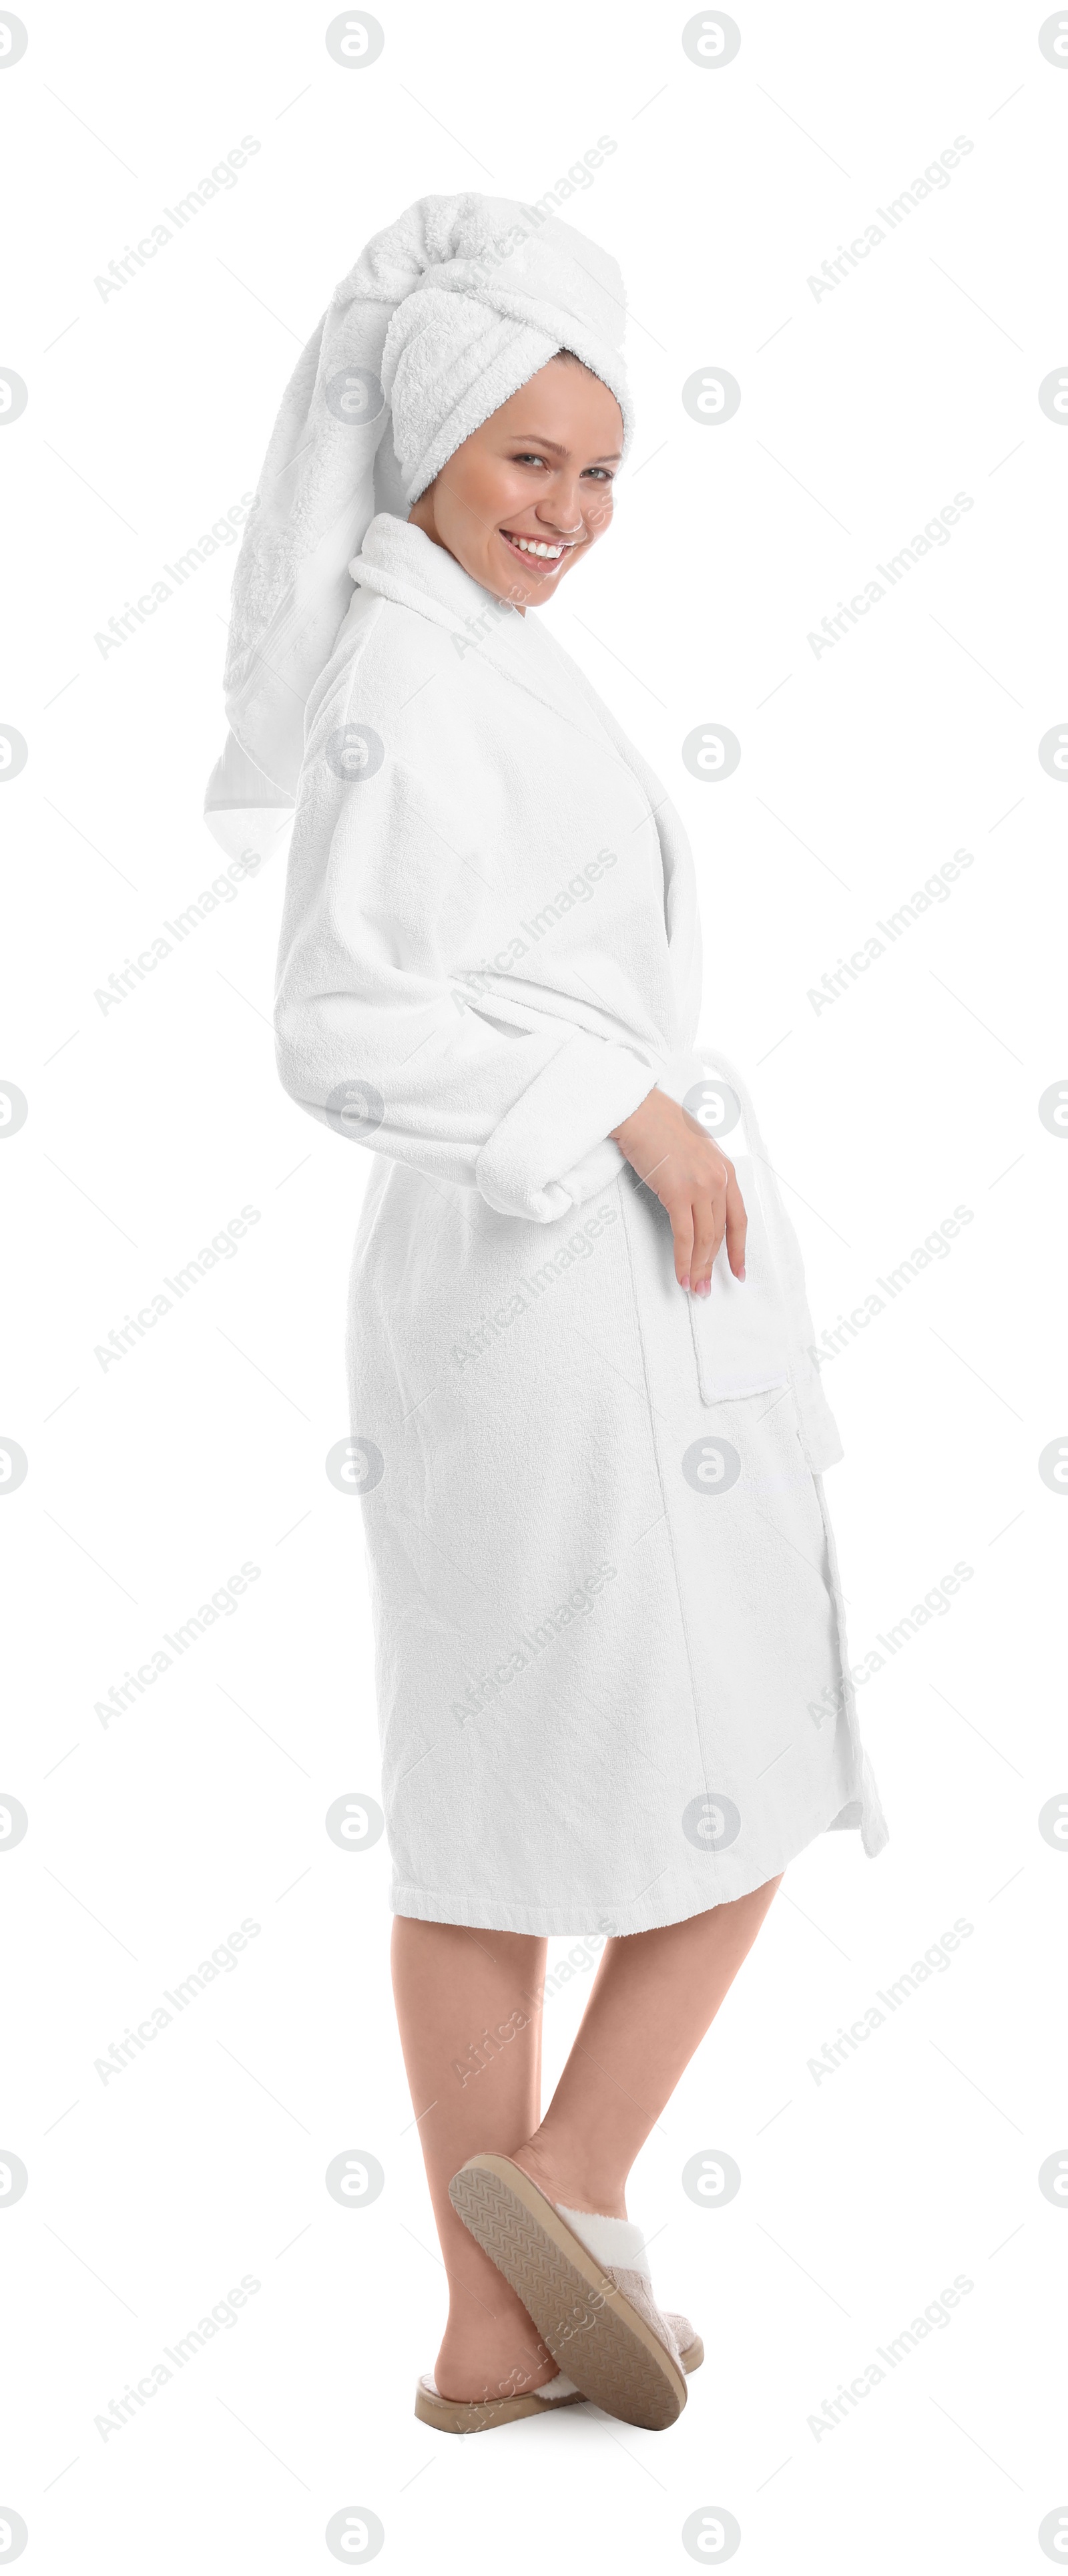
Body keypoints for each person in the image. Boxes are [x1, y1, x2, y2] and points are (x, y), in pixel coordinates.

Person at [206, 190, 888, 2437]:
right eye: (531, 464)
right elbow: (330, 1024)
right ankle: (571, 2194)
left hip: (561, 1296)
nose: (571, 515)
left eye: (600, 476)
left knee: (501, 1809)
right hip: (543, 1308)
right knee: (700, 1766)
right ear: (425, 445)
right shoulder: (411, 673)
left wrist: (630, 1120)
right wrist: (620, 1104)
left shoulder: (469, 648)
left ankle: (494, 2324)